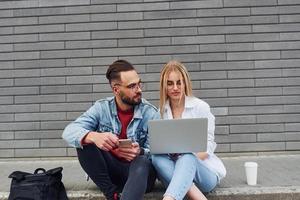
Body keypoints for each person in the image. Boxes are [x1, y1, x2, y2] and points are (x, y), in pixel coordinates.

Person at [62, 59, 160, 200]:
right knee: (85, 142)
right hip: (111, 175)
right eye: (132, 86)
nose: (139, 89)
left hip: (141, 177)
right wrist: (93, 136)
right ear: (116, 89)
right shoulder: (102, 108)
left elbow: (159, 152)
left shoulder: (150, 113)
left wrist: (141, 151)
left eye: (139, 83)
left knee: (142, 160)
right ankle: (113, 195)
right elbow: (69, 131)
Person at [152, 60, 226, 200]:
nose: (175, 88)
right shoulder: (161, 112)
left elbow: (207, 148)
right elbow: (160, 148)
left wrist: (182, 159)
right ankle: (195, 194)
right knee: (156, 158)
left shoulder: (201, 107)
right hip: (176, 171)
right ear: (164, 86)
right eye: (170, 83)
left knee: (187, 156)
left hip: (204, 173)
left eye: (179, 82)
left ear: (185, 83)